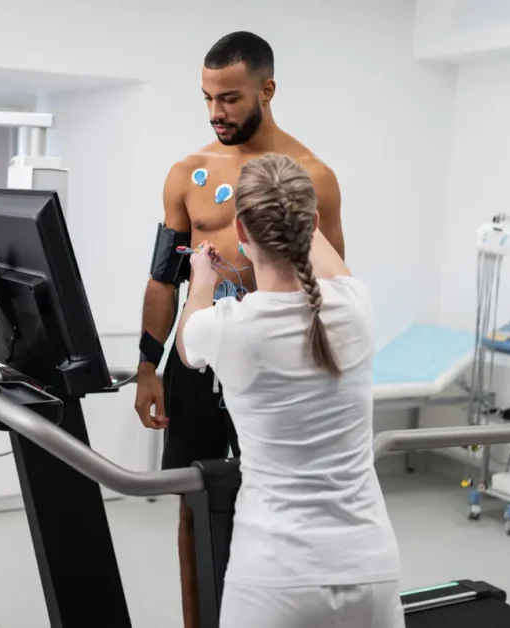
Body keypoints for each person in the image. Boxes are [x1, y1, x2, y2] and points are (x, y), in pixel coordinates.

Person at [135, 31, 346, 626]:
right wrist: (148, 368)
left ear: (267, 90)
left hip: (271, 359)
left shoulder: (312, 176)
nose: (215, 113)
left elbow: (329, 286)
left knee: (278, 500)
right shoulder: (188, 171)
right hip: (197, 360)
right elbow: (162, 279)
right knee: (191, 500)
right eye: (207, 98)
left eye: (229, 99)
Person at [176, 153, 402, 628]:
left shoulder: (228, 328)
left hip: (275, 579)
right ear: (313, 221)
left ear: (240, 232)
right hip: (371, 568)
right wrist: (285, 193)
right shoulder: (354, 305)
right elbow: (322, 252)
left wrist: (202, 277)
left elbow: (186, 345)